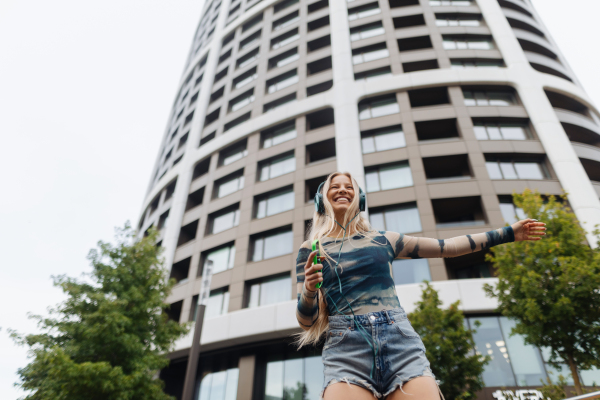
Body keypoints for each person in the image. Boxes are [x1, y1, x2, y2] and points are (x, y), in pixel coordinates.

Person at [294, 171, 546, 400]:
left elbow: (448, 247)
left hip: (399, 342)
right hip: (346, 350)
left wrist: (508, 233)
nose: (342, 190)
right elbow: (306, 322)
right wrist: (309, 290)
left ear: (358, 198)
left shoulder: (384, 240)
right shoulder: (311, 250)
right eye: (334, 187)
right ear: (321, 200)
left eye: (349, 186)